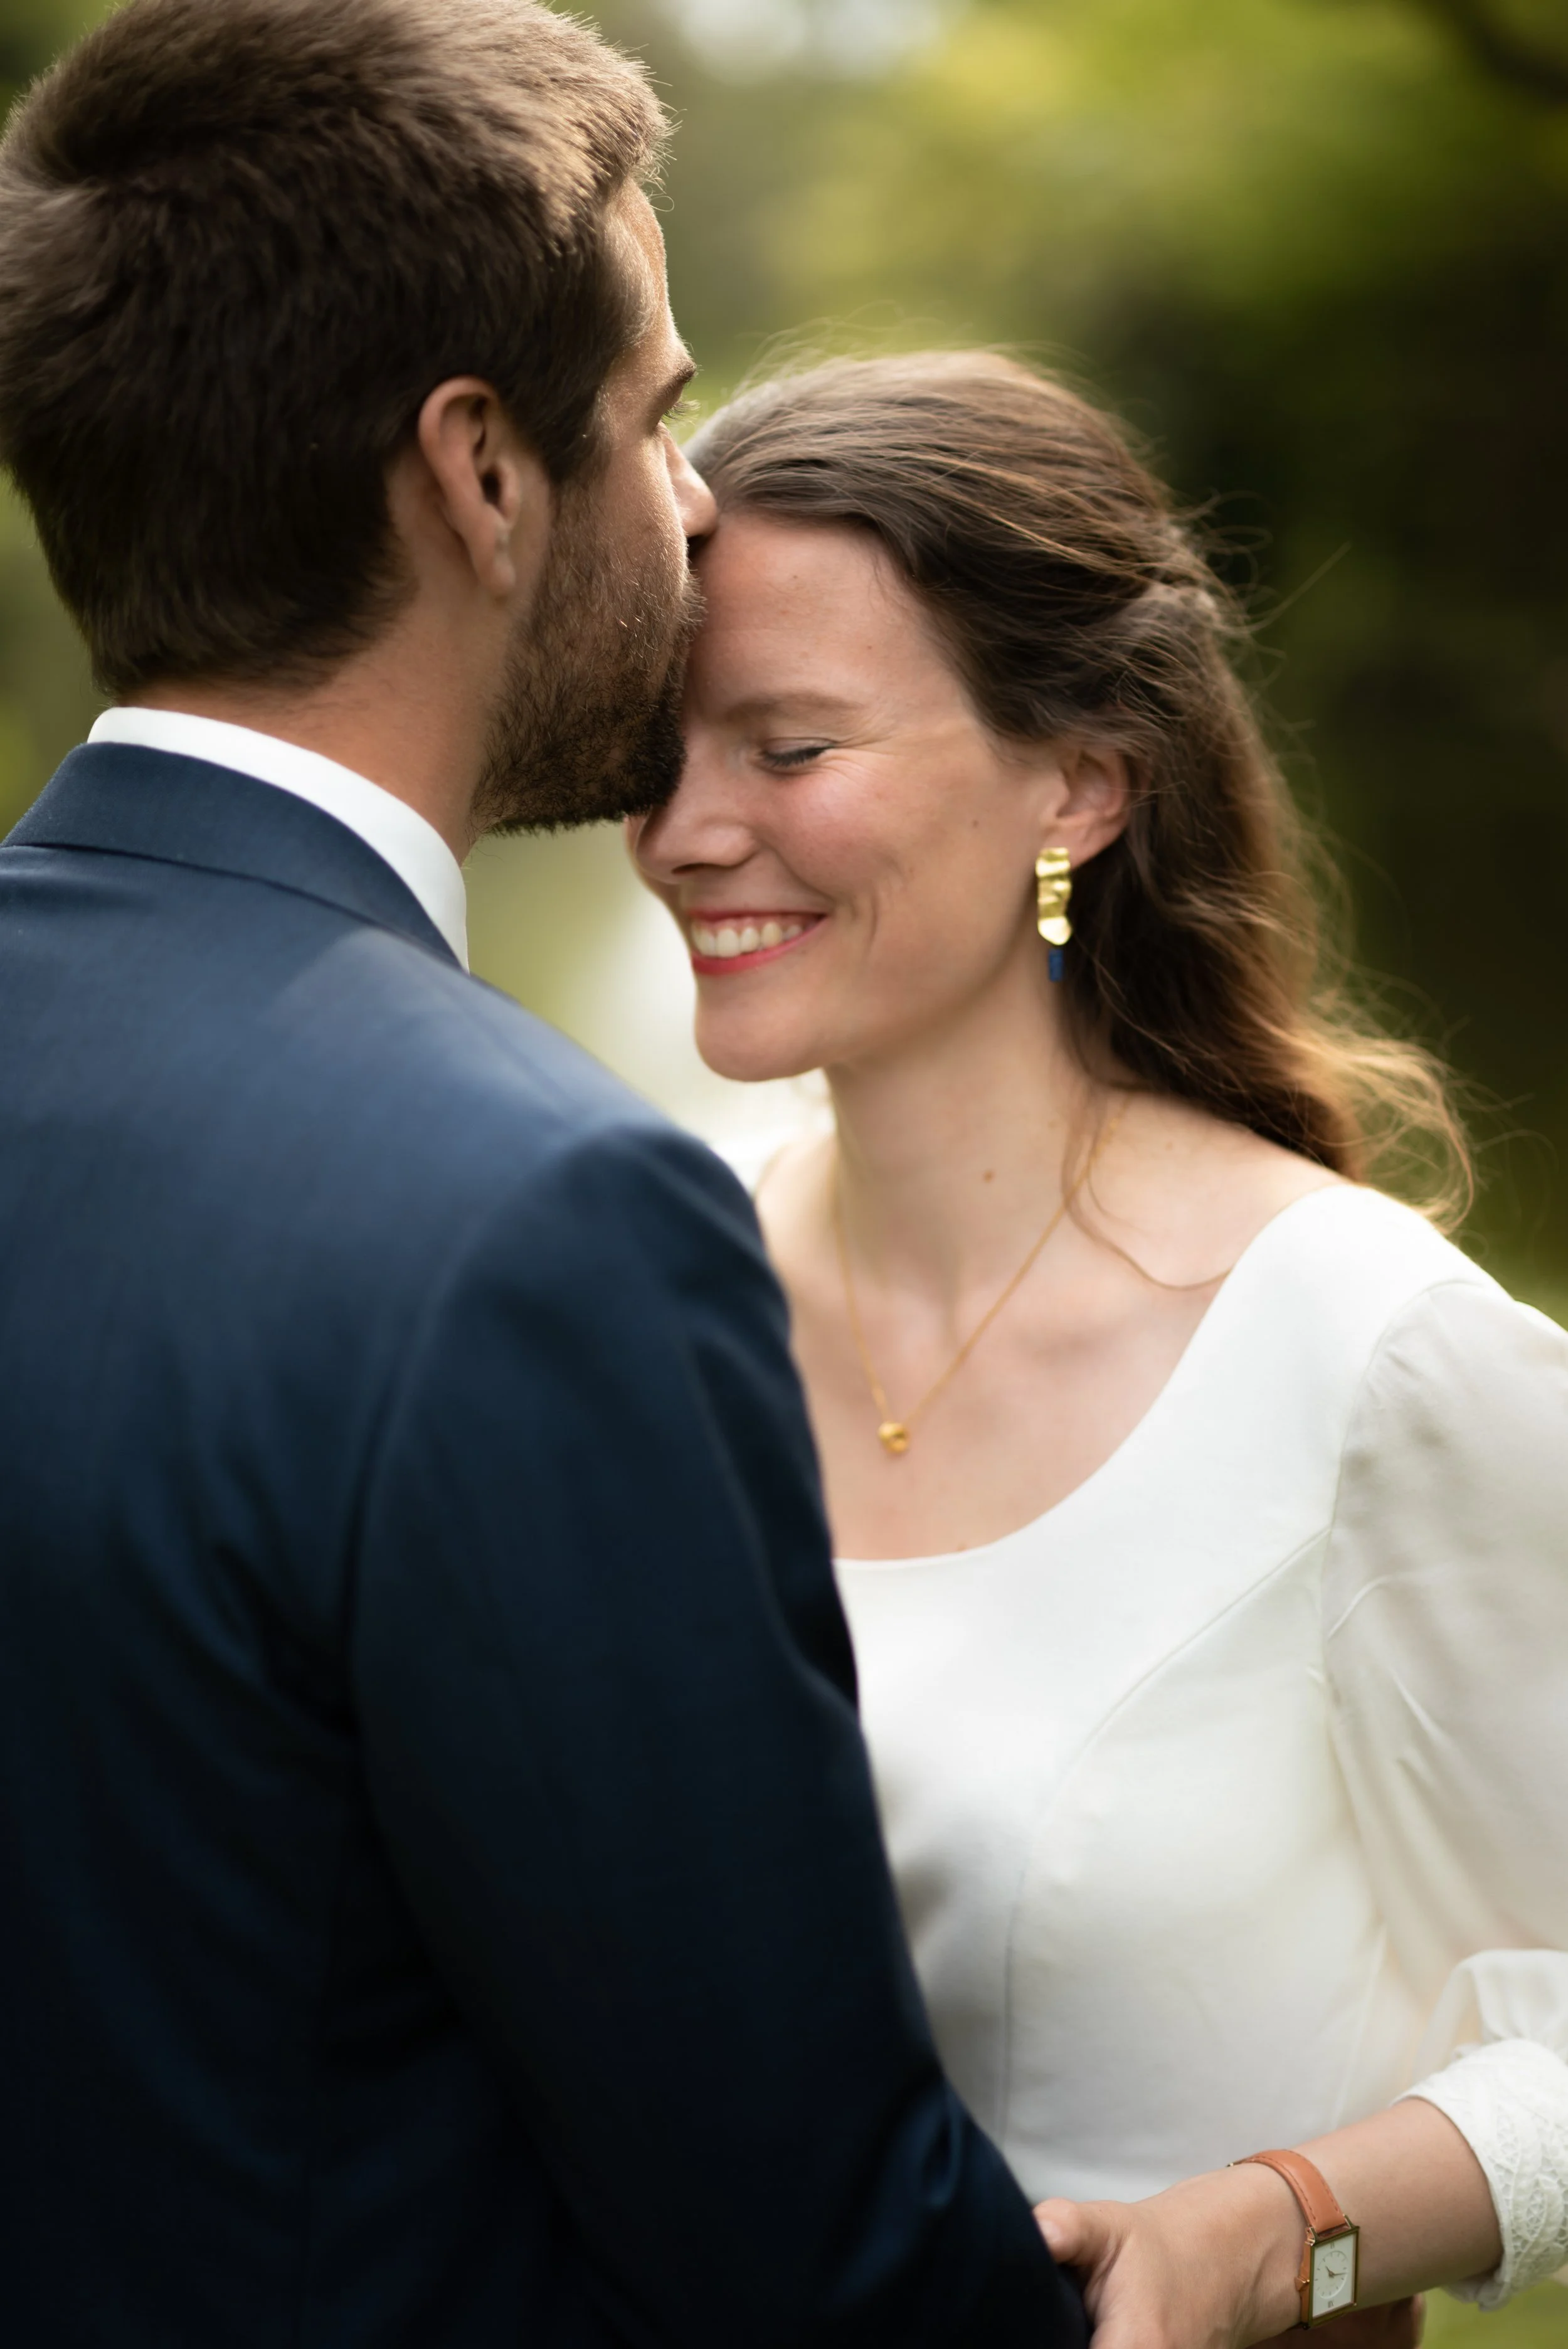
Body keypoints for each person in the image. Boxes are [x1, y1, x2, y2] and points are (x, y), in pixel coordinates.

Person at [0, 11, 1089, 2343]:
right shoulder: (534, 1221)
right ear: (481, 474)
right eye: (661, 412)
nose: (694, 507)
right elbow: (806, 2251)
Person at [632, 349, 1568, 2345]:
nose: (683, 833)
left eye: (789, 752)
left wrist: (1274, 2226)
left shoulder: (1374, 1360)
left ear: (1077, 779)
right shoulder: (640, 1261)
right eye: (667, 748)